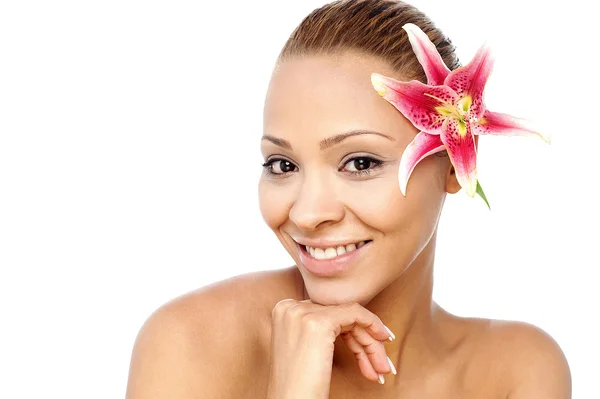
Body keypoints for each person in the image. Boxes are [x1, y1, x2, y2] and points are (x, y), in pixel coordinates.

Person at [125, 0, 571, 397]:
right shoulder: (188, 344)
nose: (308, 213)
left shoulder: (518, 371)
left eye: (359, 163)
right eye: (283, 165)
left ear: (455, 166)